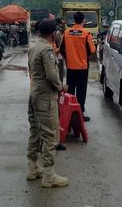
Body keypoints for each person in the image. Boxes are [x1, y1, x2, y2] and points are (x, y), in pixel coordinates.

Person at [27, 19, 70, 187]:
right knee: (50, 135)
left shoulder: (34, 47)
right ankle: (49, 175)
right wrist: (61, 87)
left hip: (34, 94)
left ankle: (32, 168)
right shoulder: (46, 49)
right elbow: (52, 75)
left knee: (35, 132)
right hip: (45, 98)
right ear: (53, 34)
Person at [60, 11, 96, 121]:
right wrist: (84, 57)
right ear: (83, 20)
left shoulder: (66, 32)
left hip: (70, 67)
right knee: (81, 91)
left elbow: (61, 49)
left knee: (70, 91)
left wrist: (68, 59)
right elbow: (92, 50)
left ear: (74, 20)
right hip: (82, 68)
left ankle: (69, 114)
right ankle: (80, 114)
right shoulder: (86, 33)